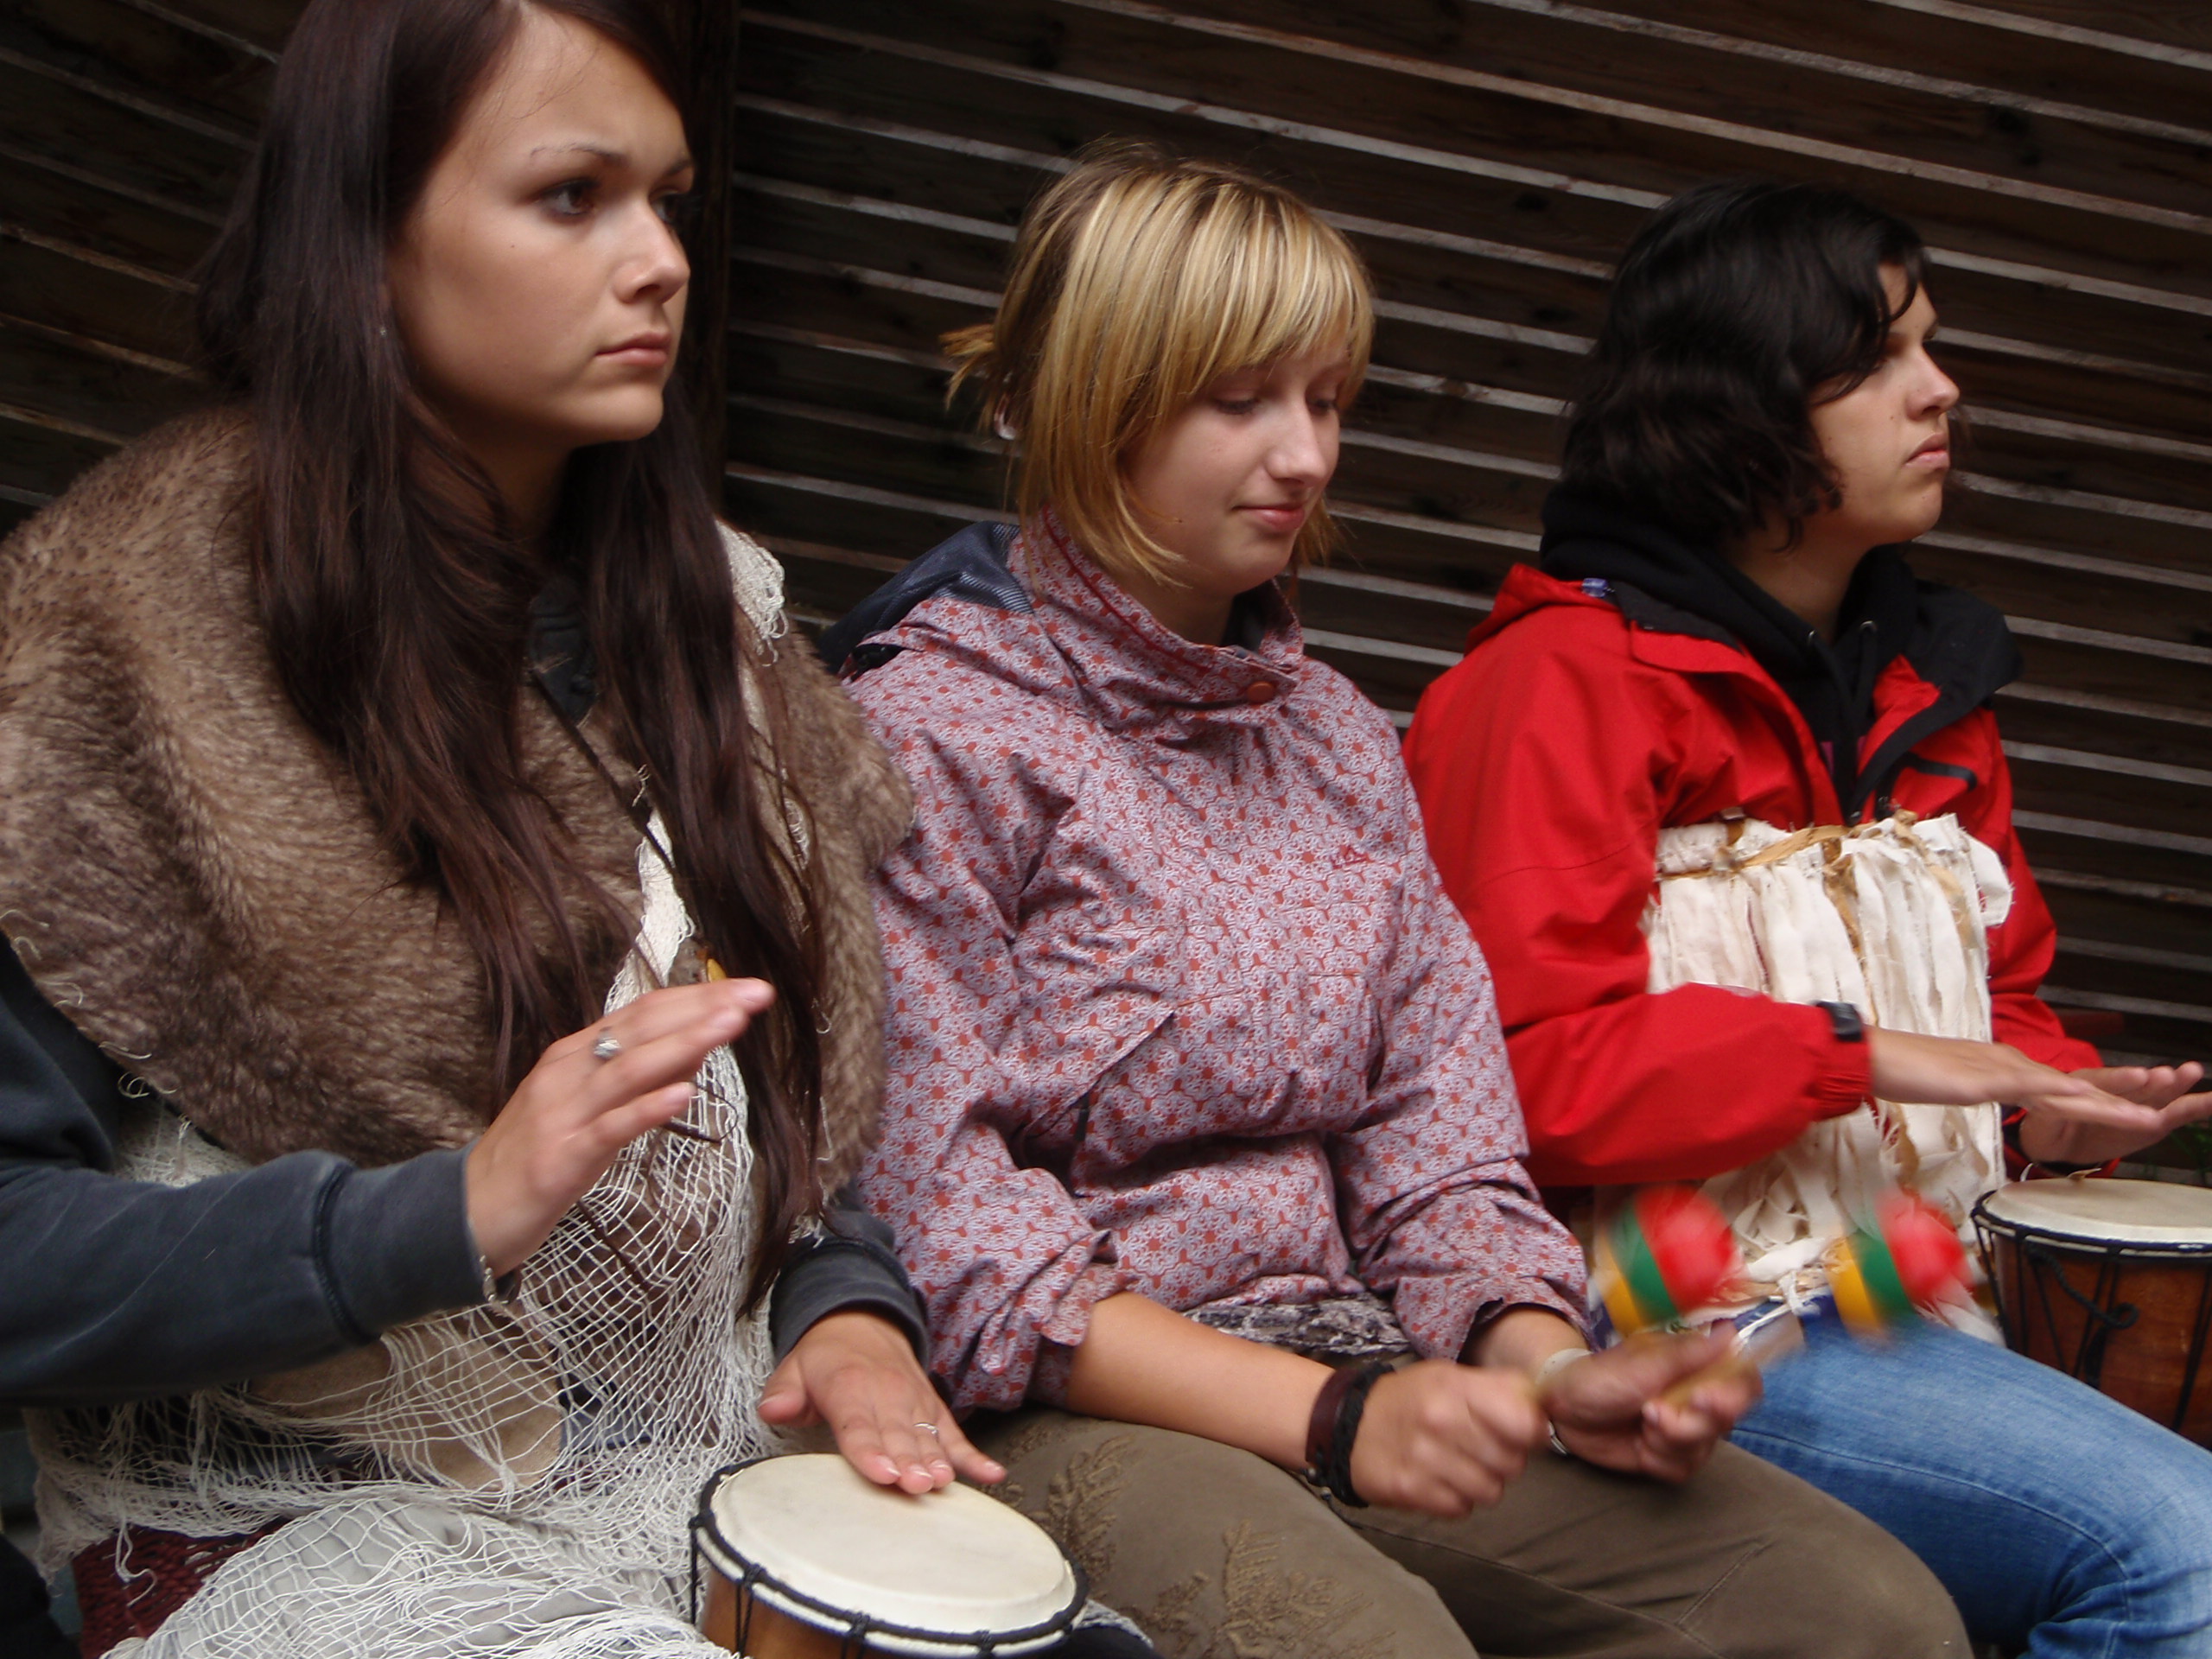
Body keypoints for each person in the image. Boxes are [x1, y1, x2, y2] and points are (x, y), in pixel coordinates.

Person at [834, 145, 1969, 1659]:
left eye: (1328, 400)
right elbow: (938, 1214)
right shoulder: (932, 730)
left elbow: (1439, 1146)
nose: (1305, 455)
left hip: (1354, 1362)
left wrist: (1545, 1364)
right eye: (1241, 401)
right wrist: (1338, 1416)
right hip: (1057, 1403)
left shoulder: (1335, 741)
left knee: (1863, 1615)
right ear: (1093, 399)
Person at [0, 3, 1027, 1655]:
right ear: (365, 234)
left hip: (683, 1489)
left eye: (669, 200)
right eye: (571, 196)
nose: (661, 262)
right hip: (275, 1533)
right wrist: (439, 1213)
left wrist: (849, 1316)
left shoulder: (721, 628)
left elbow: (770, 1135)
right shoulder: (116, 643)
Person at [1403, 179, 2212, 1656]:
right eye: (1879, 358)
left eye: (1931, 346)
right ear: (1741, 403)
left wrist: (2053, 1111)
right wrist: (1857, 1052)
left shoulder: (1931, 688)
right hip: (1669, 1314)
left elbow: (2003, 1014)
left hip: (1929, 1291)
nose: (1941, 388)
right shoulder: (1556, 684)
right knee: (2185, 1551)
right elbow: (1500, 1077)